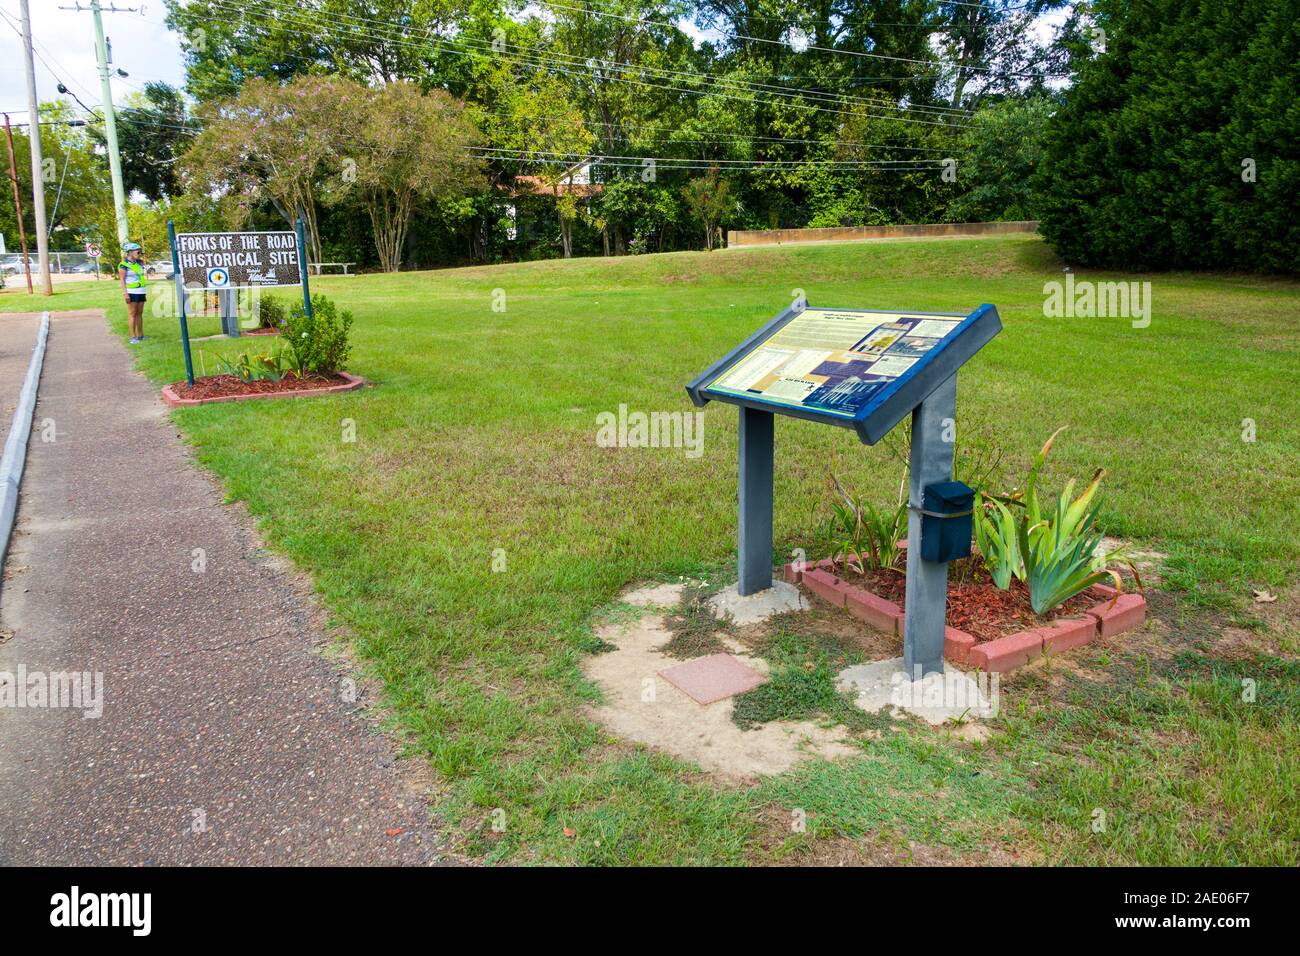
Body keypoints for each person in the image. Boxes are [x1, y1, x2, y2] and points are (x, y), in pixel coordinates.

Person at [119, 242, 148, 344]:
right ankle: (132, 337)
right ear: (130, 252)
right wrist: (125, 294)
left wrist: (140, 259)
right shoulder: (124, 265)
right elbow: (122, 280)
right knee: (132, 314)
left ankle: (140, 335)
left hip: (141, 291)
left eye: (140, 252)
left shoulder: (138, 263)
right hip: (131, 292)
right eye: (137, 251)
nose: (139, 253)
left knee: (140, 314)